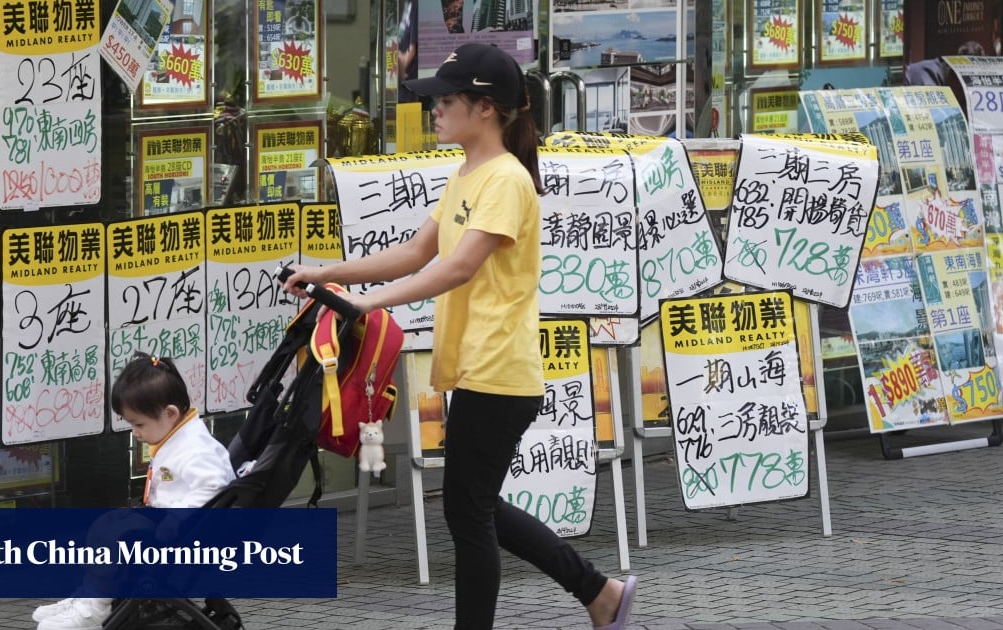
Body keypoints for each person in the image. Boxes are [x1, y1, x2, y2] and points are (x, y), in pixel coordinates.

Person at [281, 42, 638, 630]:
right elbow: (418, 252)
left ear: (487, 109)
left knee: (468, 514)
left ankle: (591, 596)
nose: (436, 110)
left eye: (447, 100)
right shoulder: (468, 175)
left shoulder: (505, 180)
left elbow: (457, 267)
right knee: (476, 508)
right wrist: (329, 274)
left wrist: (364, 303)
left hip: (498, 370)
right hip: (478, 368)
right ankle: (600, 595)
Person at [31, 353, 236, 630]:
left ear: (171, 413)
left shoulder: (196, 449)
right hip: (166, 523)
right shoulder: (177, 437)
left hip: (181, 533)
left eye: (139, 424)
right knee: (105, 525)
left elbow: (214, 485)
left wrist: (176, 520)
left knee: (114, 538)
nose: (135, 432)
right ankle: (88, 599)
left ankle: (95, 609)